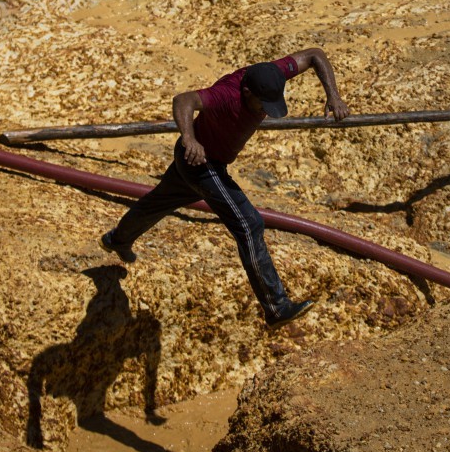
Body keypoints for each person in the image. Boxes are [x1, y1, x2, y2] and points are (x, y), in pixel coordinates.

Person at [101, 48, 351, 329]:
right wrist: (189, 139)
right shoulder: (227, 94)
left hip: (199, 162)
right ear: (247, 92)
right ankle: (276, 306)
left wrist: (334, 95)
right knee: (249, 223)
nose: (266, 112)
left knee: (159, 201)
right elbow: (183, 100)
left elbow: (315, 55)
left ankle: (117, 239)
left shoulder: (270, 73)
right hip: (203, 163)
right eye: (262, 105)